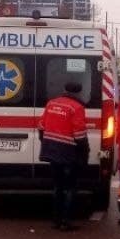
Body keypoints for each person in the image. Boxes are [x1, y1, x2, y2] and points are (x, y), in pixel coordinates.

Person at [38, 80, 90, 230]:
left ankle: (56, 220)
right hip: (68, 152)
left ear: (64, 89)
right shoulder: (77, 107)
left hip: (52, 150)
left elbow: (41, 125)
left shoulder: (52, 103)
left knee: (58, 187)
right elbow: (79, 133)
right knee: (70, 187)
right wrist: (84, 153)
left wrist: (45, 141)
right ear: (78, 92)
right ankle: (66, 222)